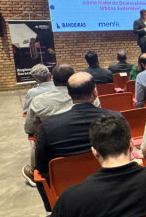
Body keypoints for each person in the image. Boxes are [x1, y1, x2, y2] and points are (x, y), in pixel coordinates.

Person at [33, 72, 121, 208]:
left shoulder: (49, 125)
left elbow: (41, 165)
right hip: (112, 183)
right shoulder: (116, 118)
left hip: (68, 193)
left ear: (69, 94)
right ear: (95, 92)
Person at [24, 63, 76, 136]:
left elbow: (29, 128)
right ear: (50, 76)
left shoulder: (37, 100)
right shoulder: (83, 96)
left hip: (50, 138)